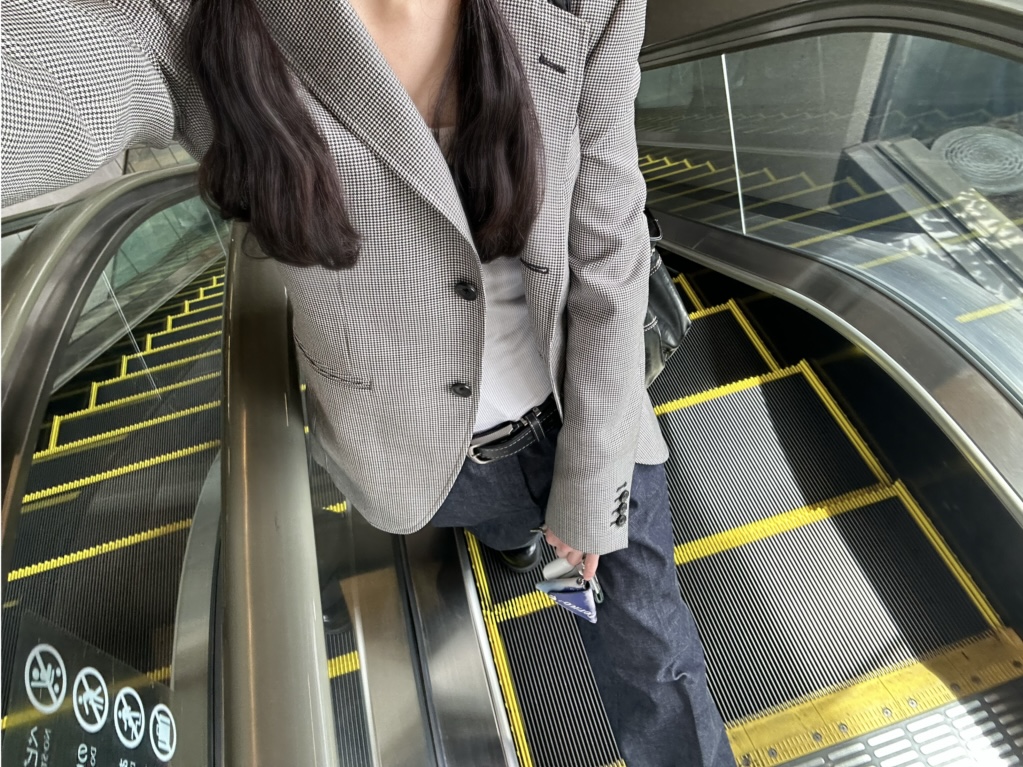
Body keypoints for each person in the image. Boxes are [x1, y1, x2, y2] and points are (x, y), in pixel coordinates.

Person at [2, 0, 734, 763]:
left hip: (590, 411)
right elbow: (44, 79)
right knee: (505, 530)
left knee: (657, 663)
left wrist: (591, 484)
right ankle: (515, 538)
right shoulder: (192, 18)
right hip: (425, 458)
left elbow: (610, 237)